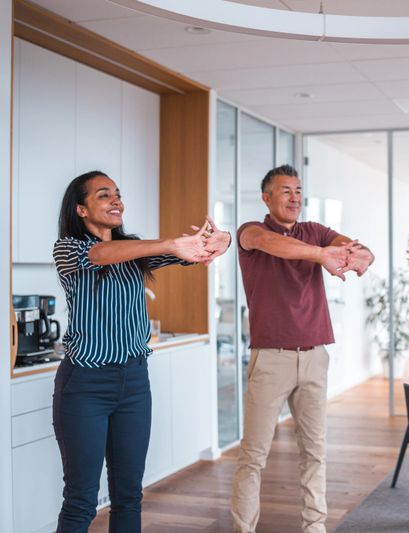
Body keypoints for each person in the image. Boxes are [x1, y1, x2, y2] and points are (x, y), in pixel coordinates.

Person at [52, 170, 231, 532]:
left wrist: (220, 239)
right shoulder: (69, 248)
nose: (116, 200)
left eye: (118, 193)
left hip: (134, 382)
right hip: (85, 384)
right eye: (104, 195)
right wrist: (168, 244)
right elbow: (101, 254)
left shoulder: (137, 251)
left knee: (129, 495)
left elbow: (197, 250)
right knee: (81, 501)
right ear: (81, 209)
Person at [230, 164, 374, 533]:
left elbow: (356, 247)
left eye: (298, 190)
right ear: (266, 197)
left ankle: (315, 527)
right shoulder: (252, 232)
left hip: (314, 355)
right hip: (271, 359)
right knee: (254, 455)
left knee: (315, 451)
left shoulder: (316, 231)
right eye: (285, 191)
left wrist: (359, 256)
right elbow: (273, 245)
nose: (294, 197)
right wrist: (322, 255)